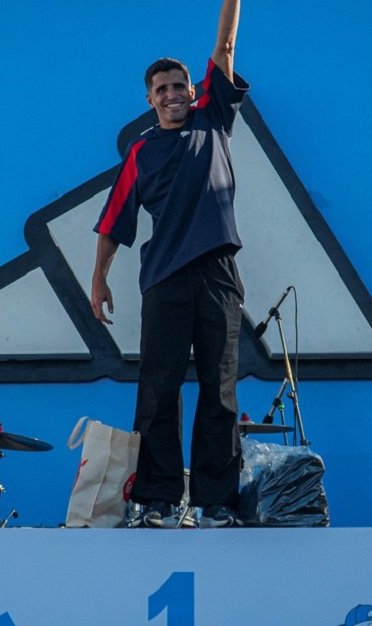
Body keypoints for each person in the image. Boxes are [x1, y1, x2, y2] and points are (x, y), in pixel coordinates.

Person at [90, 0, 247, 529]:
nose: (172, 94)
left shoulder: (213, 119)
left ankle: (216, 501)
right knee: (159, 389)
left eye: (179, 85)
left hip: (219, 274)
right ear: (150, 99)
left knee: (220, 389)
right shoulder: (141, 150)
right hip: (164, 279)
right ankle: (157, 499)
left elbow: (225, 46)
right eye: (162, 89)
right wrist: (98, 279)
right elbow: (114, 220)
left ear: (193, 90)